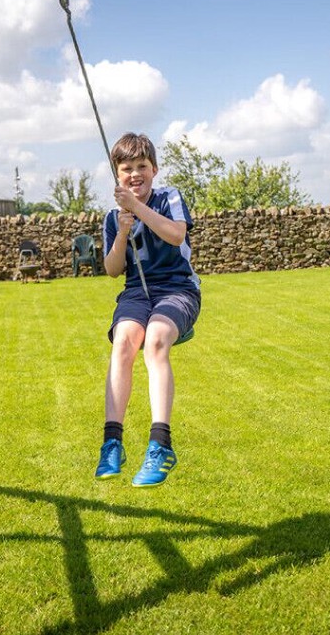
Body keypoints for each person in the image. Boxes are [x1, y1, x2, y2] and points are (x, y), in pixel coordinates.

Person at [96, 132, 201, 487]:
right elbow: (112, 270)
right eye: (127, 168)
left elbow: (175, 235)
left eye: (142, 166)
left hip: (176, 289)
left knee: (155, 340)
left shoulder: (169, 198)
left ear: (154, 169)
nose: (135, 173)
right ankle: (112, 442)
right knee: (124, 341)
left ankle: (160, 445)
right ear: (117, 175)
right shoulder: (113, 217)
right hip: (136, 294)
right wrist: (123, 232)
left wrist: (138, 208)